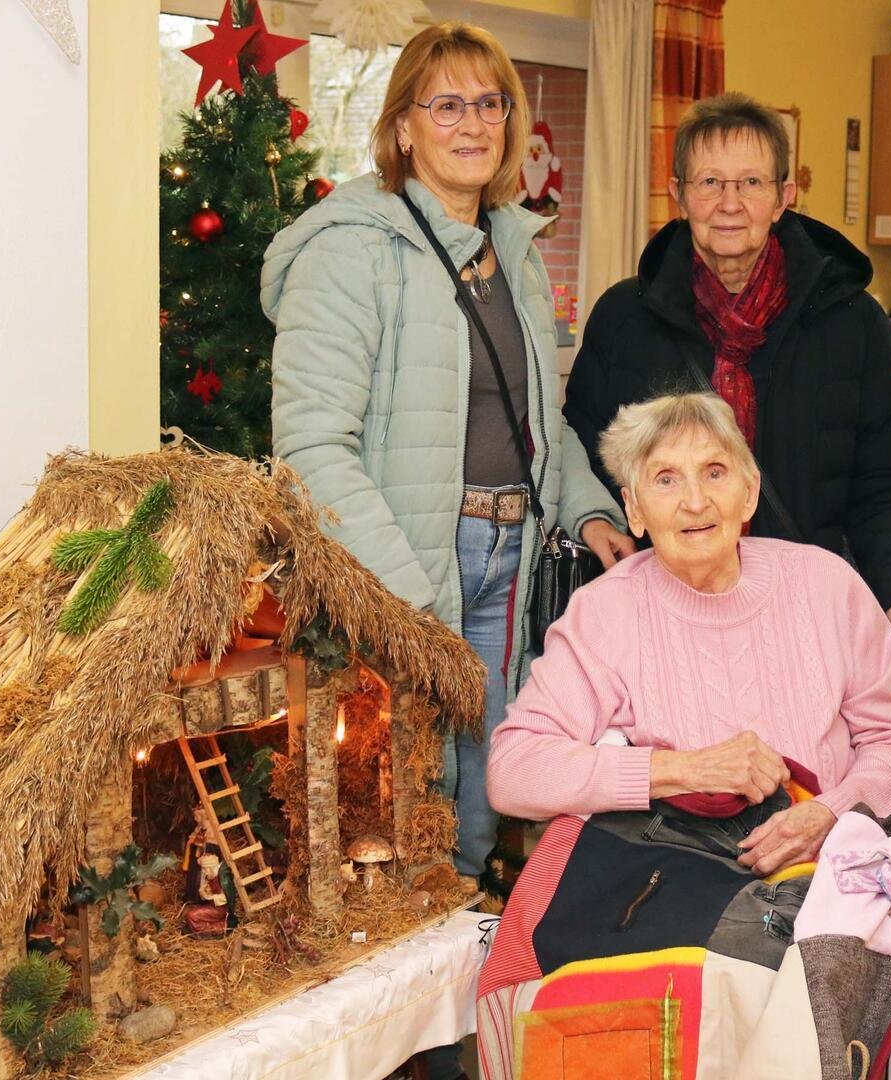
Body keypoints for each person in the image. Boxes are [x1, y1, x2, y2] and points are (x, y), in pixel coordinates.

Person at [261, 22, 633, 893]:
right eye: (448, 105)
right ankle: (414, 1012)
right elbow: (310, 446)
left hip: (514, 560)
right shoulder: (352, 250)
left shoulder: (514, 251)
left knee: (484, 795)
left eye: (491, 103)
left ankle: (466, 997)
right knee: (403, 808)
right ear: (402, 128)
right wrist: (406, 593)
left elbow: (540, 420)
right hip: (413, 565)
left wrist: (588, 506)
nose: (474, 124)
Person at [487, 393, 891, 874]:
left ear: (749, 492)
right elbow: (513, 770)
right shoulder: (605, 612)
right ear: (633, 510)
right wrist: (680, 770)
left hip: (833, 869)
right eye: (666, 479)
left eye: (715, 472)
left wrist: (833, 814)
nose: (695, 501)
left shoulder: (827, 586)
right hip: (677, 878)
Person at [565, 93, 891, 631]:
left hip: (806, 613)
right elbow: (586, 447)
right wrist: (596, 519)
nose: (729, 203)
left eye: (751, 183)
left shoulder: (852, 323)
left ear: (783, 197)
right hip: (657, 614)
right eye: (709, 182)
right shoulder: (623, 318)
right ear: (678, 196)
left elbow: (880, 481)